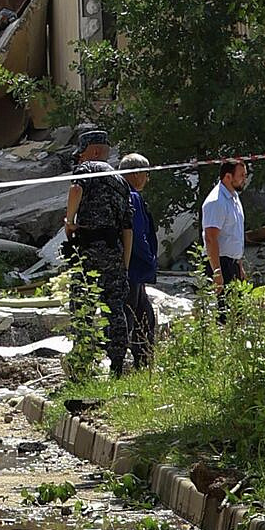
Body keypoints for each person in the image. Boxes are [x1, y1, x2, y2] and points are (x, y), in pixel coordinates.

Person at [63, 130, 133, 375]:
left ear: (92, 151)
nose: (79, 160)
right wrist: (124, 264)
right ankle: (117, 365)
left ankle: (83, 363)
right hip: (114, 251)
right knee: (114, 308)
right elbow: (127, 228)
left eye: (81, 155)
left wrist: (69, 221)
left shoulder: (88, 168)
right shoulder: (122, 180)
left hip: (89, 249)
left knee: (82, 303)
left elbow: (75, 190)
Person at [120, 154, 158, 370]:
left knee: (144, 315)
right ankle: (121, 363)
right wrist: (149, 259)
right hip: (133, 267)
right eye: (145, 174)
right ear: (135, 174)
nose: (147, 179)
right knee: (131, 316)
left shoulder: (124, 195)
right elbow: (137, 233)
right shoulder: (132, 197)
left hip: (130, 268)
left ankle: (142, 363)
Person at [202, 159, 249, 320]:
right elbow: (210, 238)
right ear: (228, 177)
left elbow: (234, 234)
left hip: (233, 263)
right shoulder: (216, 201)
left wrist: (239, 264)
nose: (245, 178)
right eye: (241, 175)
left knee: (237, 312)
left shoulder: (234, 198)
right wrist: (217, 273)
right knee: (224, 315)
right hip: (219, 263)